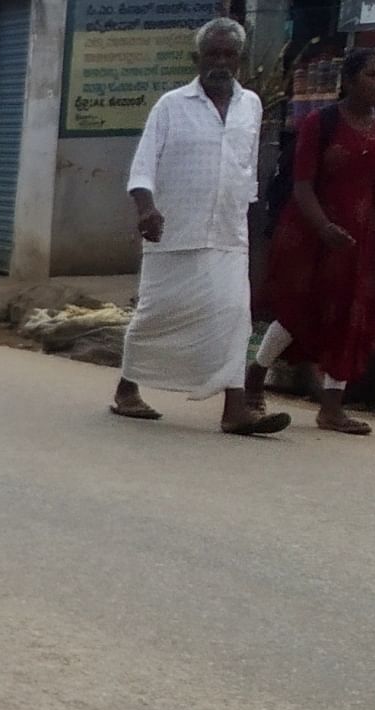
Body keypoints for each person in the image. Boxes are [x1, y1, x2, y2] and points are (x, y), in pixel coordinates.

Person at [109, 19, 287, 434]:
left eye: (228, 55)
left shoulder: (252, 106)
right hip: (172, 231)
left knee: (234, 316)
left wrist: (255, 235)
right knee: (157, 315)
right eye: (213, 54)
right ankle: (126, 388)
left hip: (228, 233)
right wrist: (146, 209)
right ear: (197, 58)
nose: (220, 63)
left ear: (239, 60)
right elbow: (143, 166)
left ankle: (234, 410)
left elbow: (247, 172)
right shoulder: (171, 105)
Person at [248, 47, 375, 436]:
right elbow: (301, 185)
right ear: (348, 81)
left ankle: (332, 407)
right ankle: (256, 374)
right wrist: (324, 228)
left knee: (351, 313)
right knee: (299, 310)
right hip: (311, 231)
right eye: (373, 74)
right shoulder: (321, 122)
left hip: (358, 236)